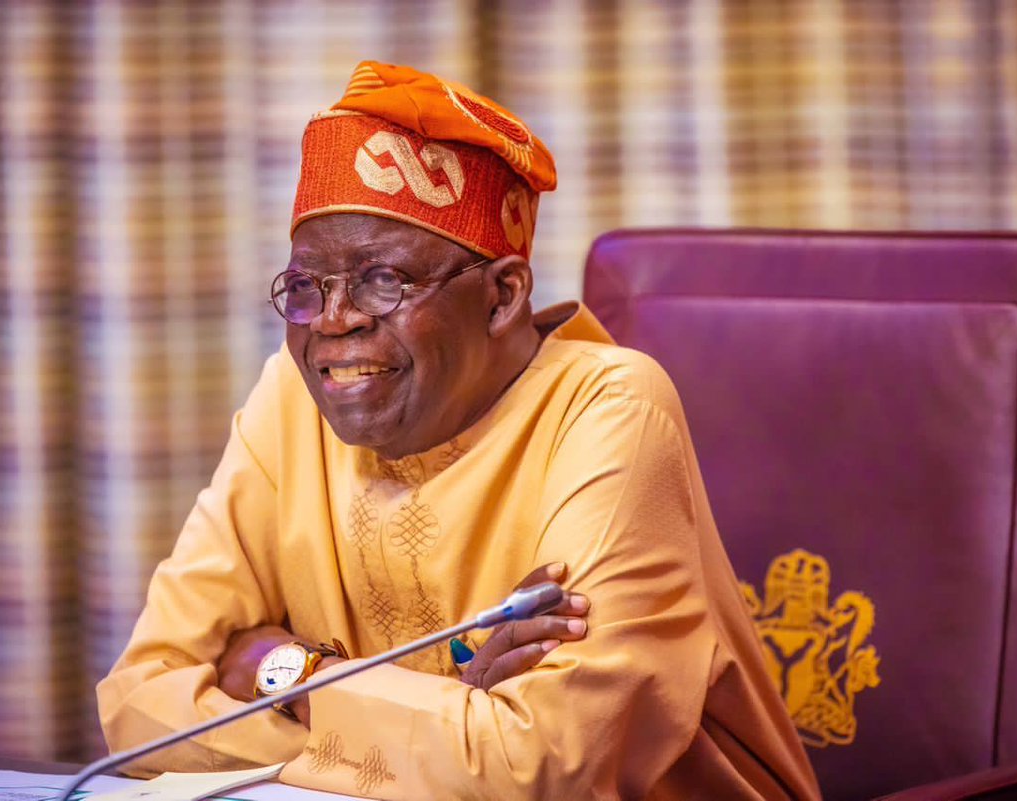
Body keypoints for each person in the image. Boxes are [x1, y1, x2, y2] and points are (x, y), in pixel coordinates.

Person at [97, 61, 821, 800]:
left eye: (383, 281)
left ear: (502, 296)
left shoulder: (609, 406)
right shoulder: (294, 394)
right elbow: (136, 706)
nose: (334, 322)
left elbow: (543, 769)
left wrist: (288, 677)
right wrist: (456, 718)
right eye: (308, 287)